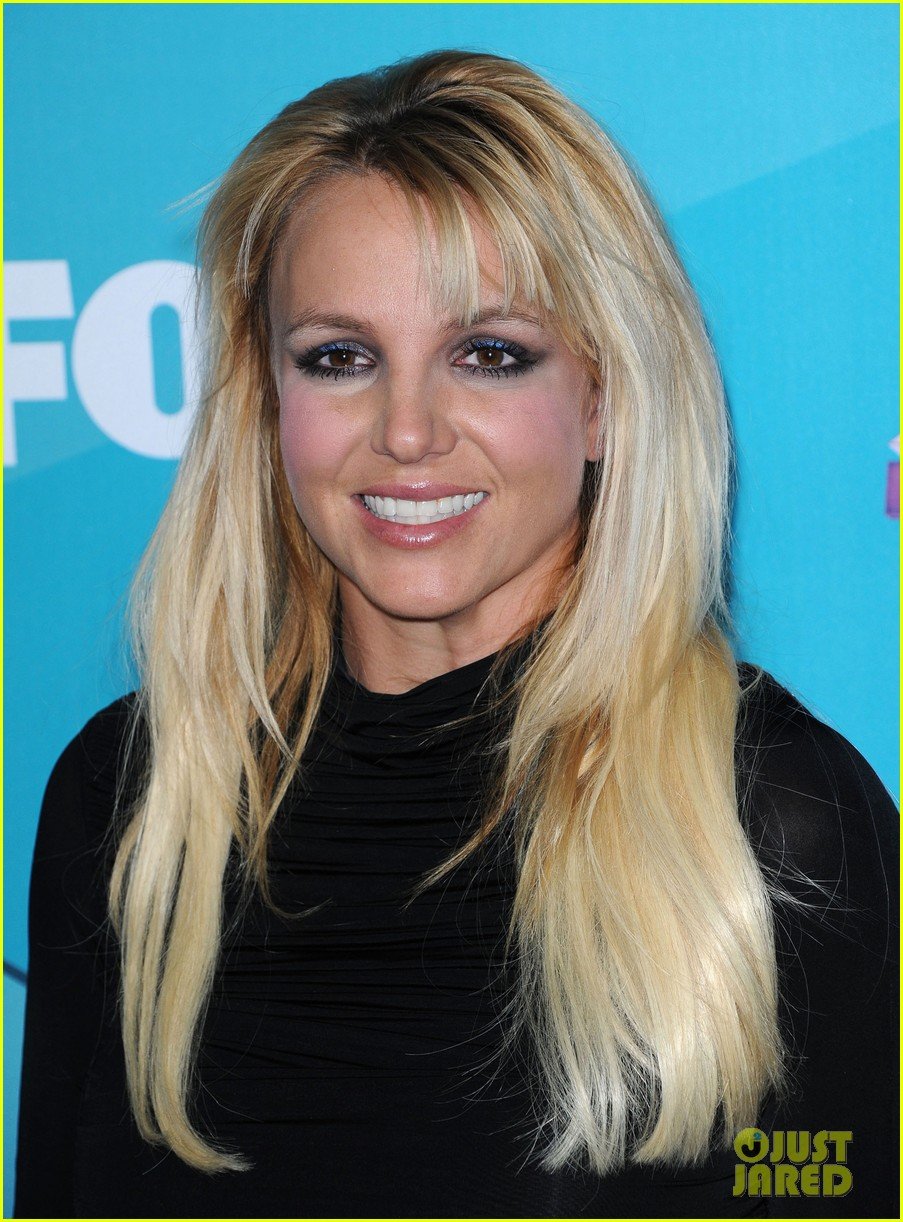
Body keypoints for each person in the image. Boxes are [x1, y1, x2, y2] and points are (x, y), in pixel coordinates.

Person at [15, 49, 898, 1219]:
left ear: (602, 396)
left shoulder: (771, 823)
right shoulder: (132, 801)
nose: (408, 431)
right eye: (339, 358)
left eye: (488, 354)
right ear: (265, 400)